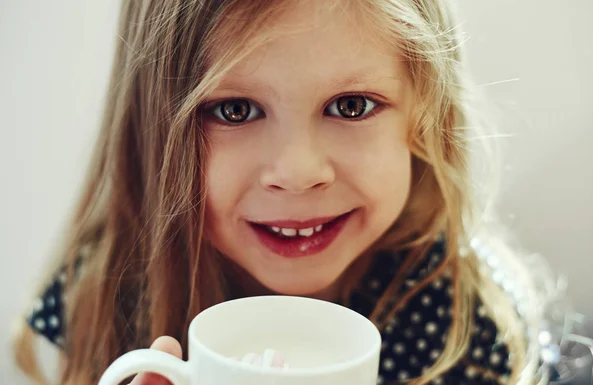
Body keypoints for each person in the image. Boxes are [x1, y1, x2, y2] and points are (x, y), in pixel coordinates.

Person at [13, 0, 560, 384]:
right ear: (153, 135)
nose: (298, 173)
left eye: (351, 106)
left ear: (425, 117)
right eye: (235, 110)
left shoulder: (461, 323)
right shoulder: (104, 297)